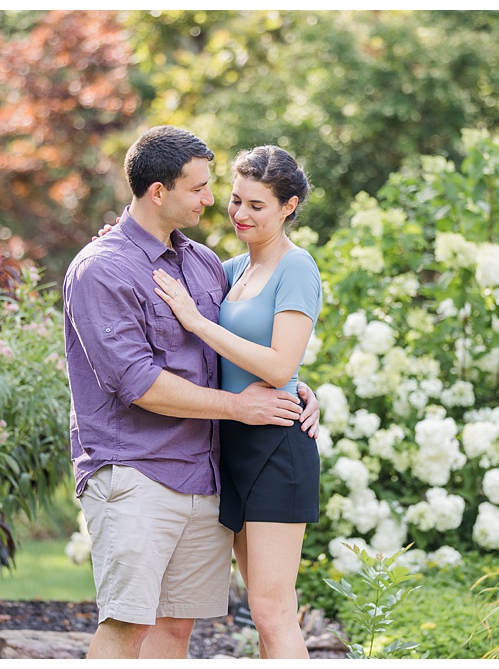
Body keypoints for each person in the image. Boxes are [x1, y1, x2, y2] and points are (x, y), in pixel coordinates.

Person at [63, 126, 319, 660]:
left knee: (189, 627)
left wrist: (294, 385)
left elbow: (259, 345)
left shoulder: (202, 263)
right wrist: (242, 402)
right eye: (206, 190)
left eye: (221, 191)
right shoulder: (108, 268)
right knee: (128, 624)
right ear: (158, 192)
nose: (217, 203)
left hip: (213, 469)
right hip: (139, 470)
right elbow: (137, 382)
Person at [149, 145, 322, 659]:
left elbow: (277, 365)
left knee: (272, 613)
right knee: (259, 609)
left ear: (288, 206)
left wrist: (198, 323)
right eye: (235, 200)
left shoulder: (298, 268)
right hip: (230, 445)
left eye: (257, 206)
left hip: (275, 448)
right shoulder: (226, 269)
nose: (240, 214)